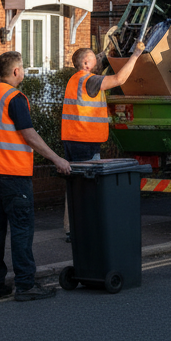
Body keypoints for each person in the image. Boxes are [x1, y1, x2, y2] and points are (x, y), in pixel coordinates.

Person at [0, 51, 71, 301]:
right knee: (21, 228)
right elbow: (29, 135)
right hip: (12, 172)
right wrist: (56, 158)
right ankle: (26, 284)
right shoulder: (15, 97)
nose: (25, 73)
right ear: (16, 71)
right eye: (23, 69)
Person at [61, 39, 145, 241]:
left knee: (74, 185)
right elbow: (118, 79)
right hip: (85, 141)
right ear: (85, 64)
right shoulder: (90, 80)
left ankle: (71, 228)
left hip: (73, 139)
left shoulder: (76, 79)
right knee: (87, 187)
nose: (96, 62)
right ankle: (84, 229)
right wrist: (135, 55)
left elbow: (99, 61)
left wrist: (107, 52)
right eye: (92, 59)